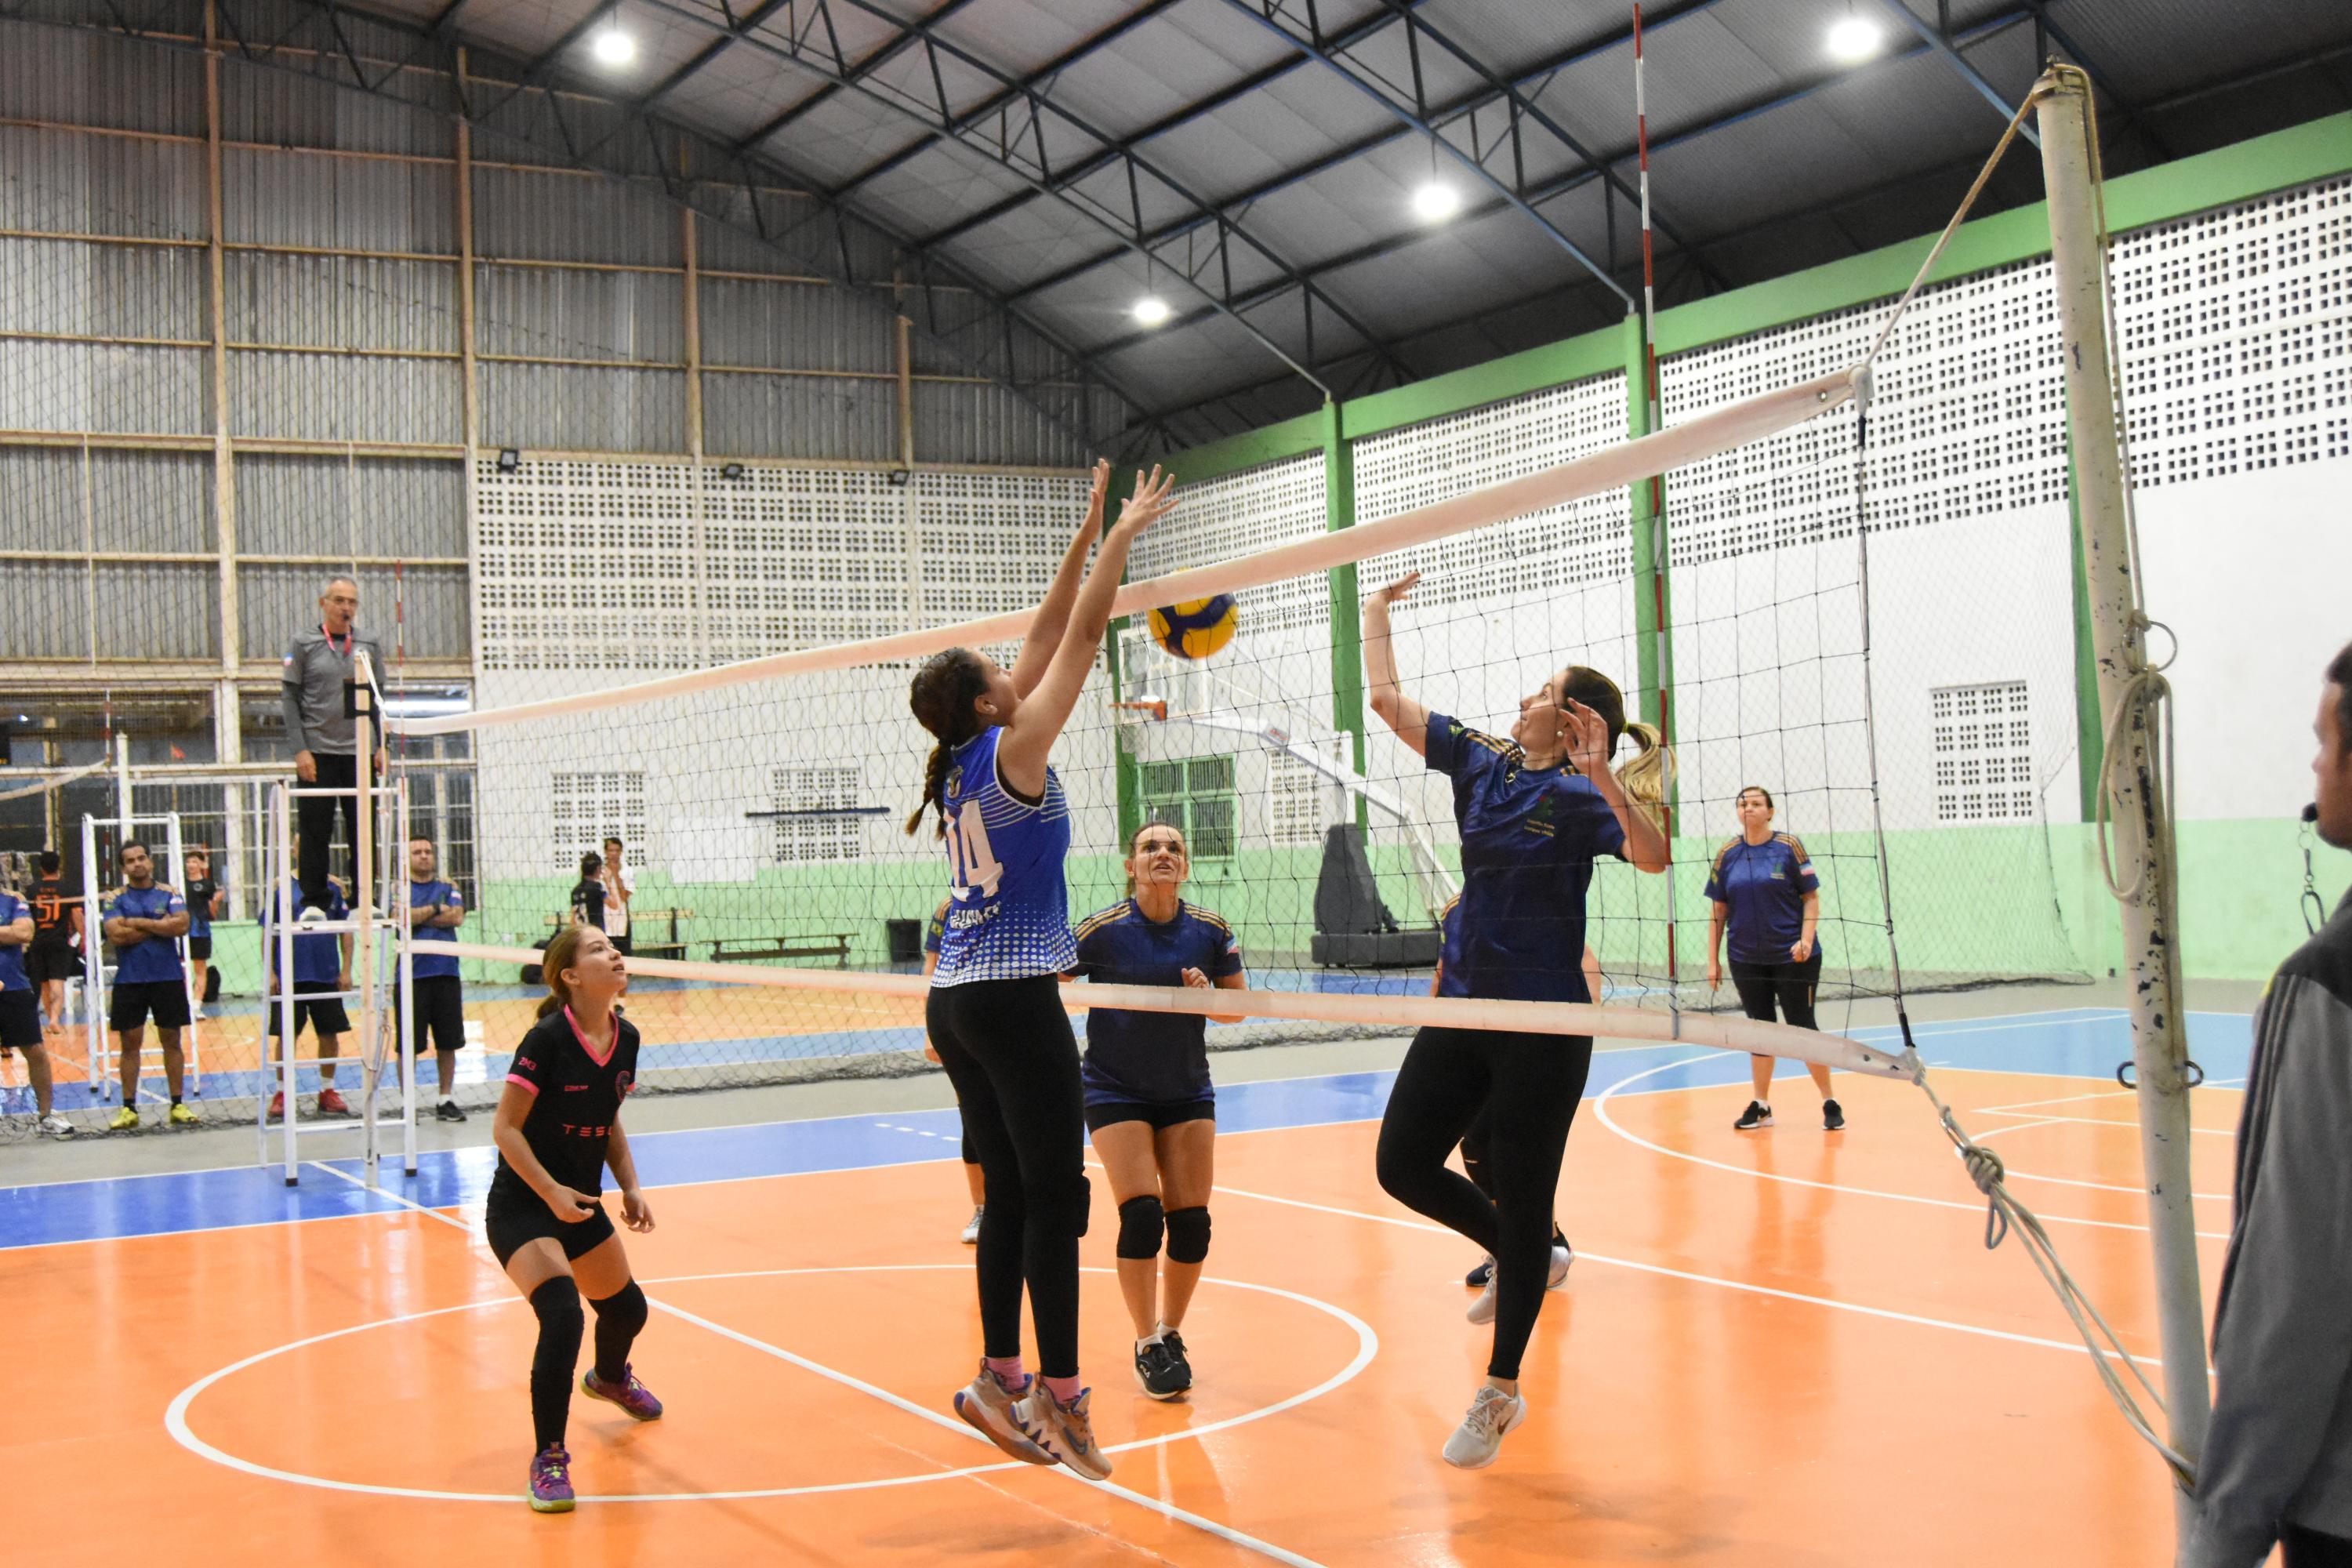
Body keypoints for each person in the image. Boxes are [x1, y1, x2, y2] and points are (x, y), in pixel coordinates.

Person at [1363, 569, 1670, 1468]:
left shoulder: (1580, 797)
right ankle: (1526, 1251)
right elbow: (1386, 700)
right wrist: (1375, 612)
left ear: (1572, 721)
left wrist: (1603, 773)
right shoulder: (1482, 761)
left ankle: (1500, 1388)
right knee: (1401, 1164)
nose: (1525, 698)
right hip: (1466, 1006)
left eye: (1542, 692)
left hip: (1545, 1024)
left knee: (1527, 1194)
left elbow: (1653, 855)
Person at [907, 457, 1175, 1482]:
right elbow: (1086, 635)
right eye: (1001, 672)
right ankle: (1061, 1398)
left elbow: (1050, 625)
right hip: (1011, 1001)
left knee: (1015, 1197)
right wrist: (1125, 540)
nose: (1018, 669)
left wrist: (1086, 528)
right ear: (989, 702)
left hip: (958, 999)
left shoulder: (965, 757)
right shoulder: (1015, 750)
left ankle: (999, 1377)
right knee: (1057, 1199)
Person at [2182, 641, 2352, 1568]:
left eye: (2325, 743)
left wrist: (2224, 1531)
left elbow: (2295, 1291)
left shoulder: (2328, 983)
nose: (2315, 767)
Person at [1064, 822, 1246, 1400]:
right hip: (1114, 1089)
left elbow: (1237, 1008)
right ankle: (1146, 1342)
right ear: (1131, 866)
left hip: (1187, 1090)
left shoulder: (1211, 930)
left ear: (1185, 866)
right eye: (1150, 847)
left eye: (1173, 848)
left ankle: (1171, 1333)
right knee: (1142, 1215)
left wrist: (1207, 998)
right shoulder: (1102, 930)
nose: (1162, 853)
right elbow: (1051, 982)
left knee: (1191, 1224)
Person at [486, 924, 659, 1514]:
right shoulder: (547, 1039)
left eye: (613, 946)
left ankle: (610, 1379)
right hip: (524, 1205)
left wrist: (630, 1185)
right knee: (562, 1316)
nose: (614, 953)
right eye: (598, 949)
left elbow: (607, 1119)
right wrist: (551, 1192)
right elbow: (505, 1129)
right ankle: (550, 1458)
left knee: (628, 1311)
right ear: (571, 976)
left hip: (578, 1204)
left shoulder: (626, 1036)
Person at [1436, 891, 1583, 1301]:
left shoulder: (1528, 902)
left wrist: (1580, 1026)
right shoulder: (1454, 911)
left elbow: (1583, 960)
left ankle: (1547, 1245)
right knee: (1474, 1149)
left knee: (1518, 1153)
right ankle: (1510, 1245)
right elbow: (1443, 973)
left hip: (1527, 1043)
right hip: (1471, 1044)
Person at [1704, 786, 1842, 1132]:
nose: (1748, 809)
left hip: (1793, 957)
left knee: (1801, 1026)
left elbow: (1811, 898)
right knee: (1759, 1030)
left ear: (1770, 811)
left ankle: (1829, 1101)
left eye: (1756, 804)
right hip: (1745, 958)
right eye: (1743, 804)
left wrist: (1805, 939)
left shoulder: (1788, 846)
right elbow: (1718, 910)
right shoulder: (1728, 853)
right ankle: (1762, 1105)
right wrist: (1713, 960)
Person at [282, 575, 387, 915]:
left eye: (352, 602)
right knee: (315, 830)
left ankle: (363, 901)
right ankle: (314, 901)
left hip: (360, 752)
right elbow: (289, 698)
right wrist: (300, 749)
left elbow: (378, 697)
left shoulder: (369, 643)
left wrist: (382, 744)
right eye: (339, 600)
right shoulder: (304, 643)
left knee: (363, 829)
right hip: (318, 751)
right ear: (323, 603)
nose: (346, 607)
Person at [101, 840, 196, 1130]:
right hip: (130, 979)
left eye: (141, 858)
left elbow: (181, 926)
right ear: (124, 868)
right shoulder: (114, 897)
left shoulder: (170, 892)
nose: (137, 864)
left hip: (168, 977)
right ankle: (129, 1108)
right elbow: (116, 936)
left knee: (172, 1040)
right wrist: (158, 924)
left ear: (151, 862)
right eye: (130, 860)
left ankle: (177, 1104)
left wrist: (137, 922)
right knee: (130, 1044)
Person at [262, 861, 354, 1121]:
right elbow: (268, 933)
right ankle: (282, 1093)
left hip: (326, 974)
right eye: (299, 845)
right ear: (294, 851)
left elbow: (346, 931)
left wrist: (347, 970)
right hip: (289, 975)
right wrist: (270, 973)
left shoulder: (333, 888)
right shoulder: (281, 889)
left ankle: (327, 1091)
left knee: (329, 1034)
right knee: (286, 1034)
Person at [920, 896, 988, 1246]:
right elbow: (931, 969)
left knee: (1015, 1116)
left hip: (1005, 1016)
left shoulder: (1018, 895)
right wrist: (932, 1031)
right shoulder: (949, 909)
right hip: (959, 1021)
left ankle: (1018, 1203)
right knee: (973, 1116)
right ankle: (982, 1208)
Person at [403, 834, 469, 1123]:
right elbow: (401, 918)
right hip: (411, 976)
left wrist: (418, 917)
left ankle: (445, 1099)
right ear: (408, 858)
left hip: (446, 973)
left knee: (448, 1041)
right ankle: (408, 1103)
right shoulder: (400, 888)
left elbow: (456, 918)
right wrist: (436, 908)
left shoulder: (448, 886)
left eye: (427, 851)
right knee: (408, 1043)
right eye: (417, 852)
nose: (424, 856)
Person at [0, 880, 71, 1135]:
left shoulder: (13, 899)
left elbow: (24, 933)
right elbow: (13, 933)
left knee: (35, 1050)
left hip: (13, 987)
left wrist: (13, 932)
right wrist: (6, 932)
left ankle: (46, 1116)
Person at [27, 850, 82, 1038]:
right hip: (59, 941)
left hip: (38, 941)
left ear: (41, 868)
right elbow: (77, 915)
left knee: (44, 984)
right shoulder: (69, 889)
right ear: (59, 866)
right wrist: (84, 937)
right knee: (57, 982)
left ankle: (49, 1019)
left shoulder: (32, 890)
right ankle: (55, 1020)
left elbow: (27, 918)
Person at [182, 848, 224, 1020]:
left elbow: (212, 915)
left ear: (202, 864)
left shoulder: (208, 885)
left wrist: (215, 901)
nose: (191, 865)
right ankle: (182, 1004)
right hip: (181, 931)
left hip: (200, 931)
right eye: (189, 861)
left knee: (200, 968)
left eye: (195, 861)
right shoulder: (180, 883)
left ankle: (196, 1006)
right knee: (181, 968)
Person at [599, 837, 635, 956]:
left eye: (617, 850)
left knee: (624, 955)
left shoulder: (627, 870)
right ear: (605, 852)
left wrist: (615, 874)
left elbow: (624, 897)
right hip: (604, 919)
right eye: (611, 850)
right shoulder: (600, 871)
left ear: (621, 852)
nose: (614, 854)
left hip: (622, 919)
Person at [568, 853, 605, 932]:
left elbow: (573, 916)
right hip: (595, 932)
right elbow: (613, 904)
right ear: (598, 868)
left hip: (579, 933)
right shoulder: (597, 887)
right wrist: (608, 880)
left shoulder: (575, 891)